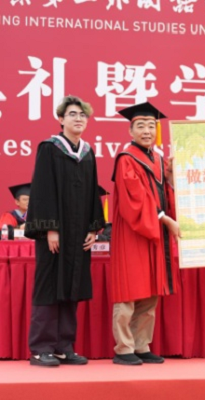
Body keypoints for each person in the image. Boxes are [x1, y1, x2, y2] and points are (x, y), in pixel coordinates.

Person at [24, 95, 105, 367]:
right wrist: (50, 228)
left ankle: (64, 346)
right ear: (61, 119)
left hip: (78, 233)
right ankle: (41, 348)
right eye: (72, 114)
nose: (78, 119)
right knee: (49, 286)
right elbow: (43, 189)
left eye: (82, 115)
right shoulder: (50, 148)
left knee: (72, 285)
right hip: (55, 235)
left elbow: (93, 192)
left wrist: (93, 227)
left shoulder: (87, 152)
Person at [110, 102, 181, 366]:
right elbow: (136, 200)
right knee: (129, 291)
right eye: (140, 126)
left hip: (155, 232)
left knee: (151, 291)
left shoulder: (159, 160)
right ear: (131, 131)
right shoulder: (126, 159)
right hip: (134, 233)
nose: (147, 131)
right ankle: (123, 348)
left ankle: (141, 345)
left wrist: (171, 178)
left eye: (152, 126)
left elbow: (165, 194)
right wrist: (165, 220)